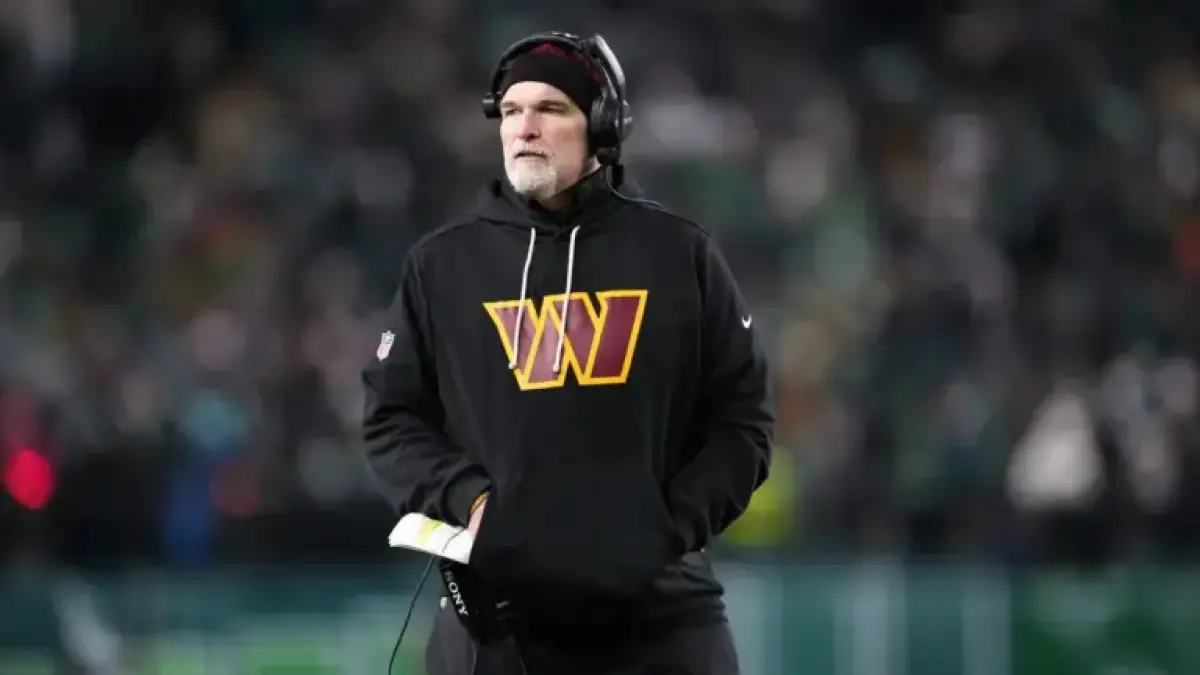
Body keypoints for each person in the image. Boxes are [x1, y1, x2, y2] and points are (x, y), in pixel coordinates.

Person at [362, 31, 774, 675]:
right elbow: (391, 421)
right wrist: (472, 502)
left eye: (550, 109)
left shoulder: (679, 255)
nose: (524, 127)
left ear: (602, 129)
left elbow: (743, 422)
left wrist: (671, 526)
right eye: (511, 110)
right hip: (495, 628)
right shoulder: (441, 266)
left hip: (661, 617)